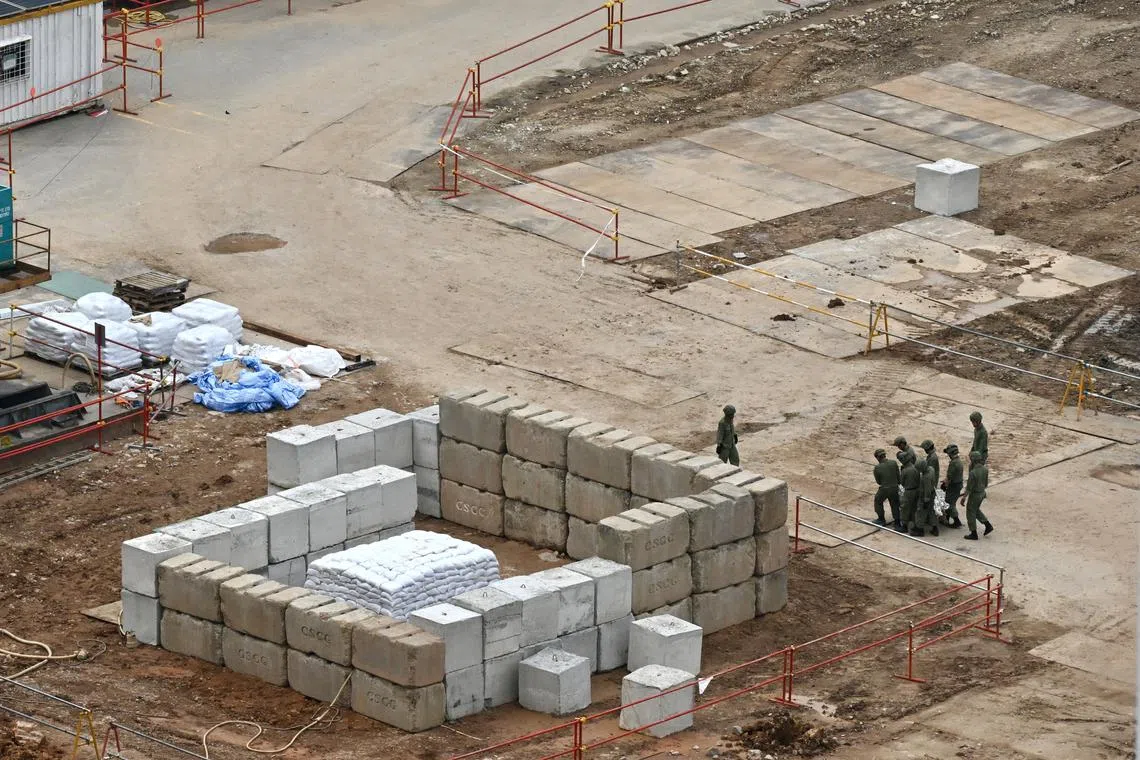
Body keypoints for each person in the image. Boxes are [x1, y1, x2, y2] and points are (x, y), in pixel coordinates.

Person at [961, 450, 994, 540]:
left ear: (973, 460)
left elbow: (969, 488)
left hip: (975, 495)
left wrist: (964, 497)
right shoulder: (985, 470)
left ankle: (973, 533)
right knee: (975, 510)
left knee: (970, 512)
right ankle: (987, 525)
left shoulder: (973, 473)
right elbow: (986, 483)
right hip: (982, 493)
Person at [872, 448, 901, 529]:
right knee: (895, 504)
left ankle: (881, 519)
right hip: (895, 487)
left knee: (878, 500)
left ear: (878, 457)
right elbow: (899, 478)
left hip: (884, 489)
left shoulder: (877, 468)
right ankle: (897, 522)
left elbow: (879, 482)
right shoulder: (894, 463)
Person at [940, 444, 964, 528]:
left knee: (949, 503)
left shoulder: (953, 463)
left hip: (954, 486)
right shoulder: (959, 461)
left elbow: (949, 476)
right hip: (958, 484)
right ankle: (946, 518)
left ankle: (957, 521)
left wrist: (944, 484)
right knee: (950, 502)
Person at [898, 450, 919, 535]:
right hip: (916, 490)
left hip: (908, 491)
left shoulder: (905, 471)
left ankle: (904, 526)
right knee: (914, 508)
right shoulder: (915, 467)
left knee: (904, 508)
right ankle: (914, 525)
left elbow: (901, 482)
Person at [916, 457, 938, 537]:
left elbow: (927, 490)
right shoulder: (931, 469)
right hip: (932, 494)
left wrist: (926, 500)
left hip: (926, 496)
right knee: (931, 512)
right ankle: (935, 528)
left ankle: (920, 530)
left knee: (921, 513)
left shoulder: (926, 477)